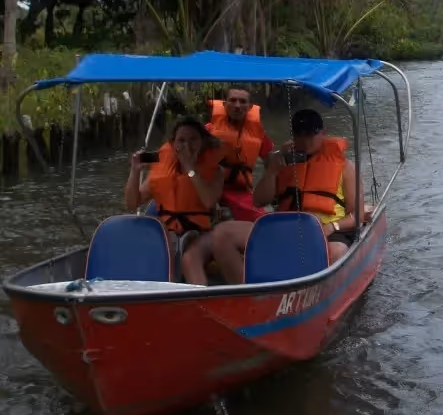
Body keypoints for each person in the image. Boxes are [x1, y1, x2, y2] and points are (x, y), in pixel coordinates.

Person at [206, 109, 363, 284]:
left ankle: (320, 294)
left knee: (336, 252)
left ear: (323, 133)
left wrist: (332, 227)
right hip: (285, 230)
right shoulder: (282, 163)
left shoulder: (345, 166)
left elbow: (358, 215)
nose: (305, 140)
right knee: (222, 234)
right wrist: (272, 172)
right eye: (299, 134)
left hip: (327, 230)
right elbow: (258, 201)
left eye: (311, 134)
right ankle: (246, 291)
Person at [125, 117, 228, 278]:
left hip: (201, 233)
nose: (187, 145)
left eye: (193, 139)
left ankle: (199, 293)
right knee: (159, 251)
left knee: (190, 259)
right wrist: (135, 171)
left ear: (203, 141)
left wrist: (190, 168)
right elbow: (132, 203)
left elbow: (208, 201)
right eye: (181, 140)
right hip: (169, 232)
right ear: (174, 144)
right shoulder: (162, 172)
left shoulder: (216, 171)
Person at [206, 87, 274, 222]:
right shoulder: (207, 131)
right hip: (209, 187)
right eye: (232, 100)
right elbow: (193, 165)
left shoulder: (259, 134)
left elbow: (271, 164)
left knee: (262, 221)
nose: (237, 106)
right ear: (224, 104)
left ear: (250, 107)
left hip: (240, 191)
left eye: (242, 101)